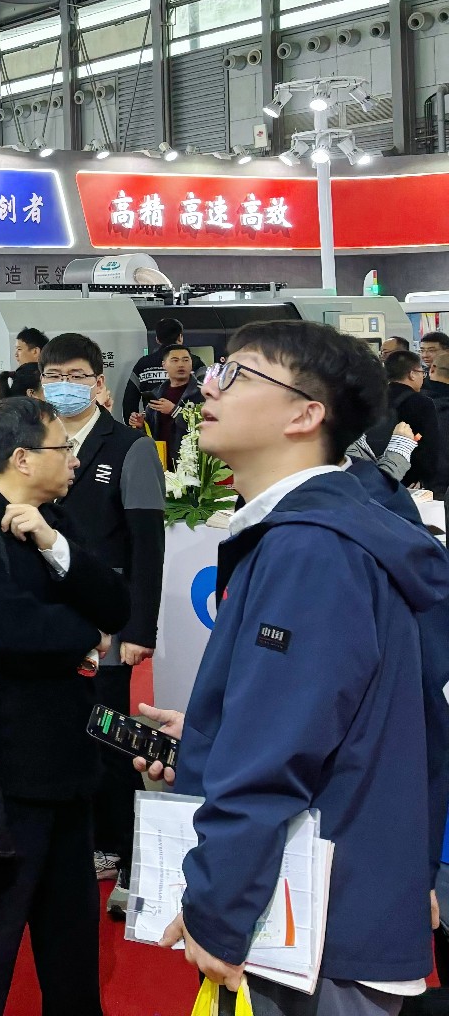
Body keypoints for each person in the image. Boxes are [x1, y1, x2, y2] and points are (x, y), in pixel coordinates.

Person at [140, 321, 449, 1016]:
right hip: (339, 901)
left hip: (310, 931)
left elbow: (275, 757)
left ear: (306, 415)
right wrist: (211, 735)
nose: (210, 388)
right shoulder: (336, 529)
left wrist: (218, 907)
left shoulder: (311, 550)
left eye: (238, 375)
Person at [0, 396, 131, 1016]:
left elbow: (115, 603)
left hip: (67, 757)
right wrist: (86, 636)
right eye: (63, 448)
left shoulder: (53, 519)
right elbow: (10, 628)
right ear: (22, 458)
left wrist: (53, 544)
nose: (73, 460)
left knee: (72, 936)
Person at [36, 331, 166, 898]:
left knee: (110, 738)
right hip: (48, 617)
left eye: (76, 376)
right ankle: (83, 841)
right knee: (61, 732)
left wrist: (140, 627)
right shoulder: (35, 442)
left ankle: (124, 851)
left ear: (98, 382)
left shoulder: (129, 447)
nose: (64, 387)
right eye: (54, 377)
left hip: (107, 619)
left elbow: (147, 545)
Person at [131, 345, 205, 468]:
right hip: (162, 462)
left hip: (192, 464)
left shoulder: (203, 393)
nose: (181, 364)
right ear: (164, 365)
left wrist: (174, 411)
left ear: (191, 364)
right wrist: (141, 424)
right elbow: (150, 431)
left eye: (186, 360)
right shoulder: (156, 393)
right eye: (175, 360)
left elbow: (205, 427)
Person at [388, 349, 446, 493]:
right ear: (412, 374)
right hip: (410, 480)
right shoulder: (422, 403)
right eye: (421, 372)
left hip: (380, 473)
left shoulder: (374, 398)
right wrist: (424, 479)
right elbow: (429, 446)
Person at [121, 319, 200, 421]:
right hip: (188, 425)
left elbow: (130, 399)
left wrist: (133, 421)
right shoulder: (195, 362)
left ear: (157, 339)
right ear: (180, 337)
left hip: (154, 425)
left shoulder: (143, 364)